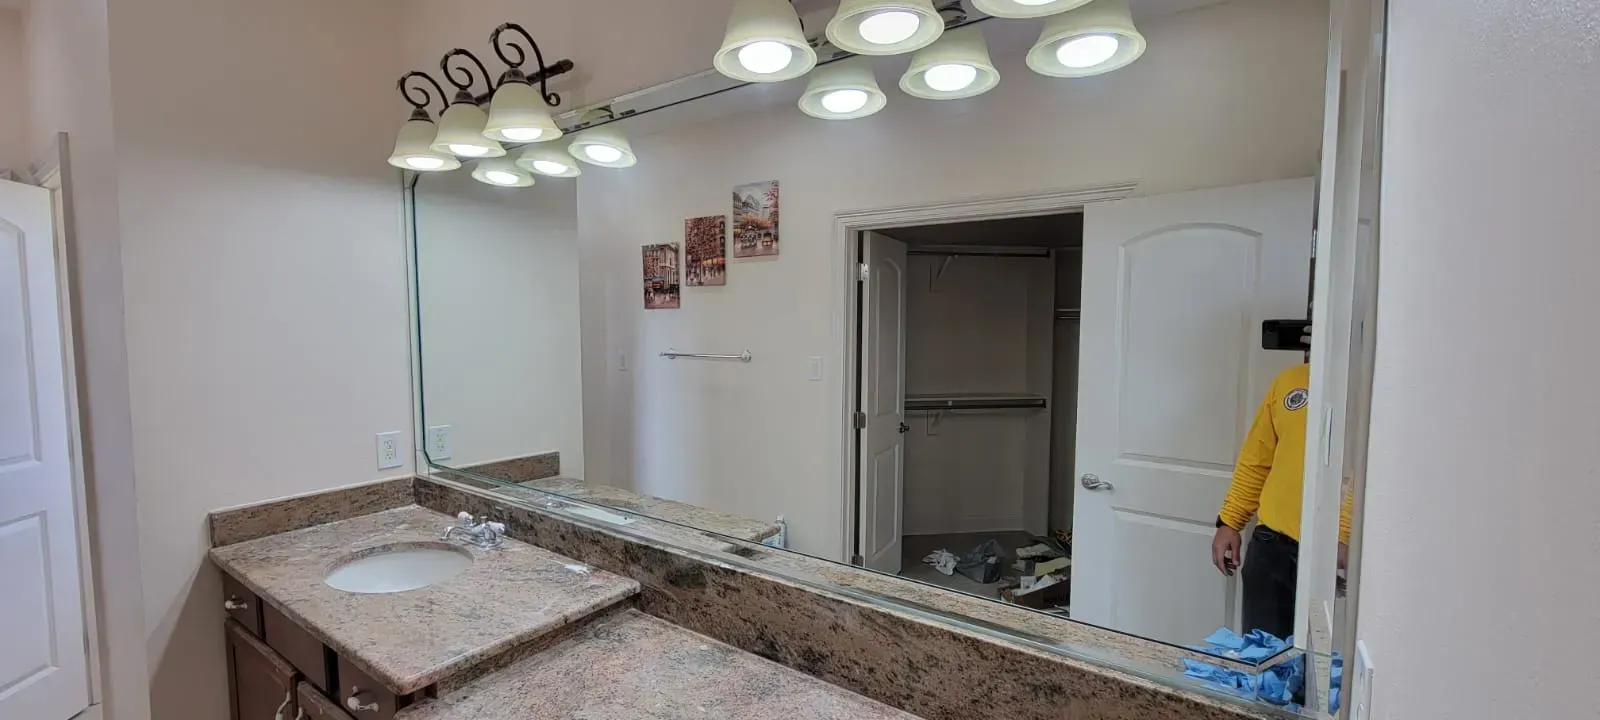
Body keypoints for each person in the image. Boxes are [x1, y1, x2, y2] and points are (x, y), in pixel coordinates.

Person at [1210, 362, 1350, 640]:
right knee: (1263, 656)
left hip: (1337, 558)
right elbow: (1257, 457)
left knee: (1324, 662)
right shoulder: (1290, 381)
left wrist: (1344, 534)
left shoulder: (1377, 385)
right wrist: (1230, 521)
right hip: (1272, 547)